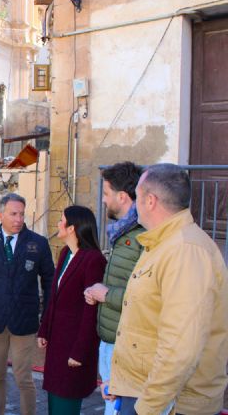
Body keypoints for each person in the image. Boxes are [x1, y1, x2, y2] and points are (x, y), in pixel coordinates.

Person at [109, 163, 228, 415]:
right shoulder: (162, 243)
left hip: (168, 404)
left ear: (150, 201)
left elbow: (181, 347)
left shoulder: (185, 250)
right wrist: (123, 381)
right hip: (145, 393)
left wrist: (147, 407)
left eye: (138, 196)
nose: (135, 203)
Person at [0, 193, 54, 415]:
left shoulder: (38, 243)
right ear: (1, 214)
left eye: (22, 214)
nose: (18, 219)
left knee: (24, 378)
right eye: (13, 214)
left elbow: (50, 283)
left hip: (24, 322)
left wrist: (47, 321)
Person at [83, 162, 144, 415]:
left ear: (122, 196)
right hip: (112, 342)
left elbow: (144, 296)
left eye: (106, 194)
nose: (104, 201)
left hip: (126, 345)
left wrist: (105, 294)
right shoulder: (123, 233)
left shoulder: (142, 236)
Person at [37, 205, 107, 414]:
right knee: (54, 401)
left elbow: (91, 313)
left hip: (73, 348)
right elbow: (54, 297)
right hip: (57, 345)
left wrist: (80, 352)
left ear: (72, 228)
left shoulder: (93, 260)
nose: (58, 223)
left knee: (65, 404)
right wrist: (44, 329)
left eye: (62, 220)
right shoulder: (66, 254)